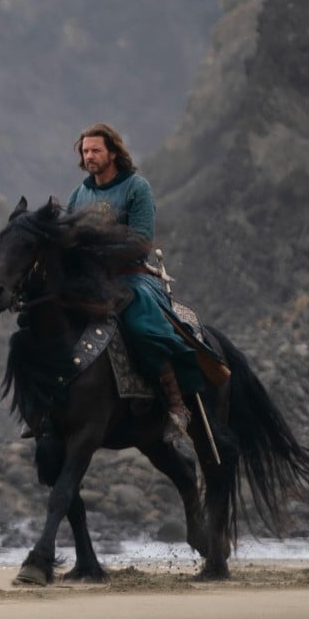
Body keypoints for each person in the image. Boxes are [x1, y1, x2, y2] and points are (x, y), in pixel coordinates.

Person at [65, 122, 199, 443]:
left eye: (96, 149)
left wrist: (98, 248)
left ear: (113, 152)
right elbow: (67, 238)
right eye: (85, 151)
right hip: (89, 279)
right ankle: (47, 406)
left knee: (142, 326)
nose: (90, 156)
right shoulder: (79, 193)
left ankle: (177, 405)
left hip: (130, 277)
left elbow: (141, 242)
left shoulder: (137, 188)